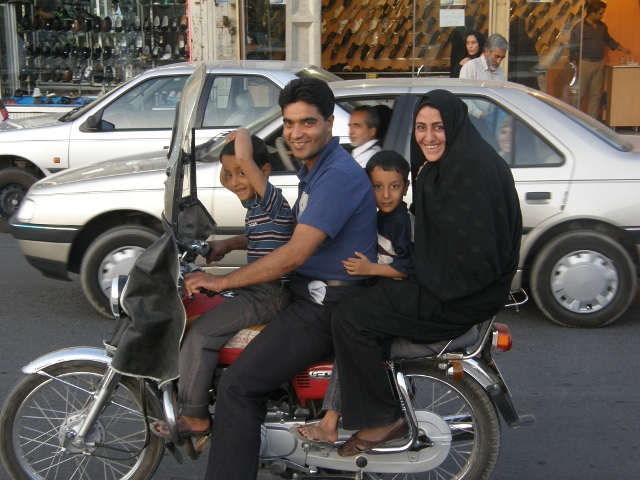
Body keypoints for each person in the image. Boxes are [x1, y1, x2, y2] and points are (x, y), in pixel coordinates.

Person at [182, 77, 378, 479]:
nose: (296, 132)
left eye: (307, 122)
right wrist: (232, 243)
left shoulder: (336, 176)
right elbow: (283, 232)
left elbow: (294, 253)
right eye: (289, 123)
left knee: (239, 386)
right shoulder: (317, 170)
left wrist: (221, 282)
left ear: (329, 123)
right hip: (311, 294)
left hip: (325, 305)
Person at [330, 90, 522, 457]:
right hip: (449, 284)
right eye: (421, 127)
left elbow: (475, 256)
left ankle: (384, 418)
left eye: (438, 127)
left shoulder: (472, 172)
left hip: (459, 297)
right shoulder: (447, 166)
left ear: (455, 126)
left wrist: (410, 271)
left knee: (349, 317)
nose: (429, 137)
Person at [149, 129, 293, 440]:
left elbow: (242, 154)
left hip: (267, 295)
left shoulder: (271, 197)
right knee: (199, 310)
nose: (235, 180)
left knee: (201, 336)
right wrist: (227, 244)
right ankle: (190, 387)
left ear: (263, 172)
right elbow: (269, 234)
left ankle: (196, 416)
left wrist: (240, 133)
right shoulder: (258, 205)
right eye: (228, 175)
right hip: (258, 291)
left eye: (243, 172)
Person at [291, 150, 414, 444]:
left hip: (393, 301)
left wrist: (370, 268)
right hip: (375, 297)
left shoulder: (400, 222)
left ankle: (330, 420)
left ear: (406, 187)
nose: (385, 195)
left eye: (394, 186)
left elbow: (408, 269)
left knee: (349, 343)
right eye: (377, 186)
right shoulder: (374, 217)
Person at [569, 0, 632, 119]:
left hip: (598, 63)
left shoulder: (602, 26)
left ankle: (591, 122)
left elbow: (608, 40)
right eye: (600, 13)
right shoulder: (580, 27)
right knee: (579, 94)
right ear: (592, 13)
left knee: (595, 95)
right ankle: (574, 120)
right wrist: (575, 65)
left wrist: (622, 49)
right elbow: (572, 46)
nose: (602, 15)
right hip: (584, 63)